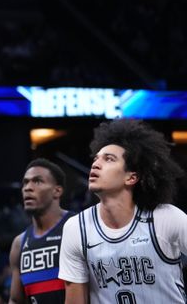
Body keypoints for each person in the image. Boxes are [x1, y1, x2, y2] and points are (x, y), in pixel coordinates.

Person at [58, 119, 187, 303]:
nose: (95, 164)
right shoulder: (76, 228)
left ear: (131, 177)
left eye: (109, 159)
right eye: (96, 159)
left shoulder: (166, 218)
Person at [9, 159, 73, 303]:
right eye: (25, 183)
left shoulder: (79, 227)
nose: (28, 188)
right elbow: (15, 300)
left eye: (37, 181)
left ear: (57, 191)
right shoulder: (19, 244)